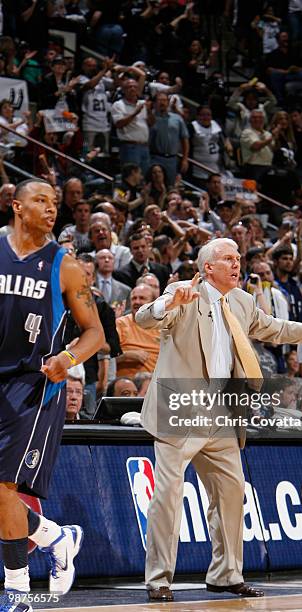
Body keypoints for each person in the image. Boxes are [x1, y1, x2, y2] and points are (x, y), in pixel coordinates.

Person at [135, 237, 302, 602]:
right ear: (208, 267)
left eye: (238, 257)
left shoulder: (243, 302)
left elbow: (278, 328)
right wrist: (169, 300)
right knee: (168, 496)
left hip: (222, 412)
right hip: (179, 410)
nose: (237, 263)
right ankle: (159, 579)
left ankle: (225, 575)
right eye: (228, 258)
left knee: (232, 493)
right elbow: (144, 319)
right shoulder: (184, 292)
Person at [0, 179, 104, 611]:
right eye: (40, 200)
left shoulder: (66, 266)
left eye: (55, 202)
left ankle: (18, 590)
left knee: (3, 486)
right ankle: (55, 537)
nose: (50, 208)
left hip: (35, 383)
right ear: (16, 205)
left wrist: (67, 356)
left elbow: (95, 333)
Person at [116, 284, 160, 378]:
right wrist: (127, 355)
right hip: (126, 384)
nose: (137, 302)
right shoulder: (120, 324)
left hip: (155, 383)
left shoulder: (163, 327)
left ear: (153, 303)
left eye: (142, 298)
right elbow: (106, 357)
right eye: (134, 298)